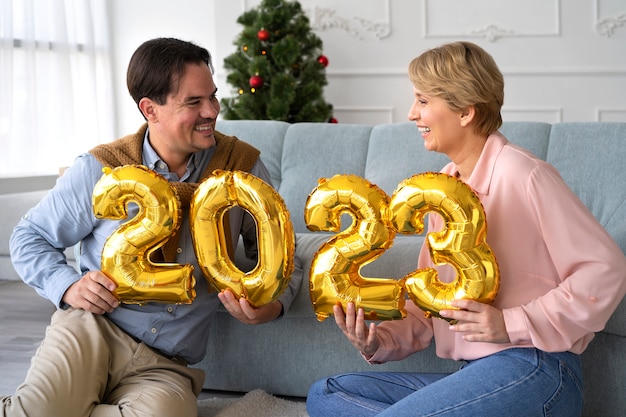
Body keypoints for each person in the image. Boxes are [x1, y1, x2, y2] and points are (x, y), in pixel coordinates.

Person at [306, 41, 626, 417]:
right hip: (475, 375)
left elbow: (605, 269)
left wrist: (511, 322)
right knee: (326, 394)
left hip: (537, 369)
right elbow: (432, 305)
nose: (412, 114)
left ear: (465, 112)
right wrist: (376, 341)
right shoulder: (444, 189)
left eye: (423, 101)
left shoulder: (524, 174)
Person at [3, 37, 302, 417]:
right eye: (193, 102)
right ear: (150, 109)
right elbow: (29, 237)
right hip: (90, 332)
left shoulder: (241, 168)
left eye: (212, 96)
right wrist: (68, 285)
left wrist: (271, 306)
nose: (211, 110)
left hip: (167, 364)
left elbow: (286, 260)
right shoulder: (102, 168)